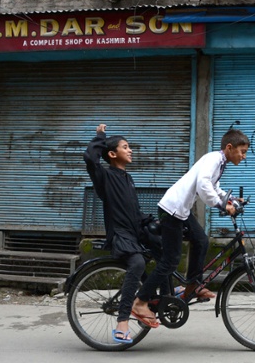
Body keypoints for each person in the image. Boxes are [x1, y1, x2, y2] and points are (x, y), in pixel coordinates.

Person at [132, 129, 250, 319]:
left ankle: (193, 285)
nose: (243, 157)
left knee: (201, 240)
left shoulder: (219, 163)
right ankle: (140, 302)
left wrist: (232, 200)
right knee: (170, 261)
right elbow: (203, 185)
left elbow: (214, 187)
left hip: (181, 210)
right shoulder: (213, 159)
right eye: (242, 151)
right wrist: (220, 205)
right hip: (172, 210)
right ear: (230, 147)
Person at [84, 124, 163, 344]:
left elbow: (133, 212)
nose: (130, 151)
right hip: (121, 235)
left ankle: (164, 294)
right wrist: (101, 137)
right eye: (125, 147)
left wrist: (155, 222)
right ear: (111, 154)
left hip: (136, 232)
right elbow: (91, 159)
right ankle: (123, 321)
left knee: (167, 248)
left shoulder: (127, 178)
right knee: (137, 264)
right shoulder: (105, 176)